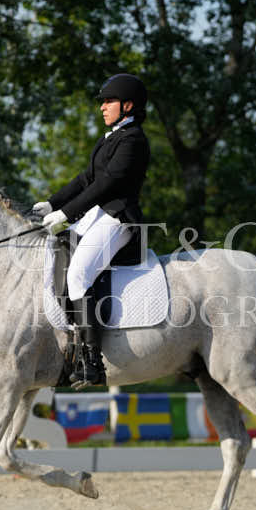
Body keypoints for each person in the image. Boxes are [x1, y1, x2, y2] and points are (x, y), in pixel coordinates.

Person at [32, 73, 150, 387]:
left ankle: (92, 359)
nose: (102, 107)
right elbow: (86, 179)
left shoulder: (133, 140)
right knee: (55, 254)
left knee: (78, 274)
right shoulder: (111, 138)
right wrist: (52, 202)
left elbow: (107, 184)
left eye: (109, 101)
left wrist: (66, 213)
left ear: (128, 105)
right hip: (98, 216)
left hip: (118, 219)